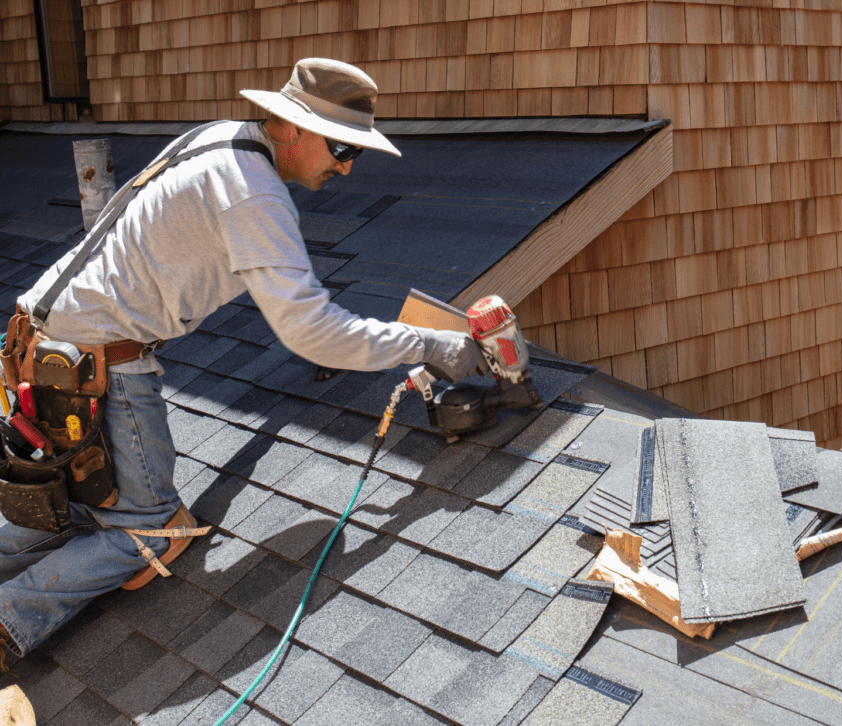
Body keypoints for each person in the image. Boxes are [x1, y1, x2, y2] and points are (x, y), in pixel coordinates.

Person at [0, 58, 487, 660]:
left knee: (64, 509)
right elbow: (310, 330)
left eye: (354, 152)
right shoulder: (253, 193)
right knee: (153, 529)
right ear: (292, 127)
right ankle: (9, 620)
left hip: (36, 342)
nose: (345, 164)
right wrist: (430, 344)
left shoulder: (218, 137)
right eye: (340, 146)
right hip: (95, 362)